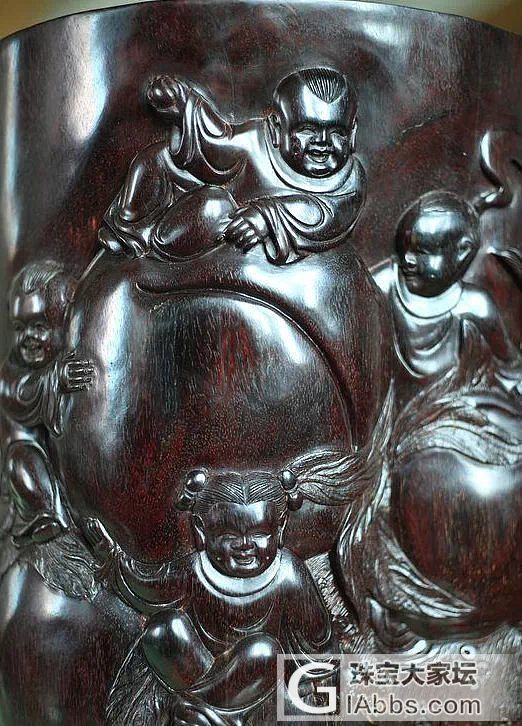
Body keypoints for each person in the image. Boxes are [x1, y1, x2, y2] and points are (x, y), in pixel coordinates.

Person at [86, 468, 336, 724]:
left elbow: (319, 641)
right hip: (197, 666)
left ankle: (199, 710)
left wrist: (314, 680)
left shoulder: (288, 574)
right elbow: (149, 585)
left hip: (258, 678)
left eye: (259, 534)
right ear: (202, 532)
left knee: (264, 652)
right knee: (165, 630)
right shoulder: (196, 570)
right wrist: (111, 557)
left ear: (280, 529)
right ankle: (214, 711)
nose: (245, 545)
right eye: (229, 536)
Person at [100, 67, 365, 264]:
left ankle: (153, 243)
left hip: (214, 218)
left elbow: (328, 215)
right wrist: (185, 104)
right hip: (190, 204)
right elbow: (217, 142)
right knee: (158, 158)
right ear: (275, 128)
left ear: (352, 134)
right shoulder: (255, 140)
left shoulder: (349, 180)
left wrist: (265, 217)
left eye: (337, 133)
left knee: (214, 206)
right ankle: (128, 231)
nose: (322, 142)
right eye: (307, 130)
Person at [373, 190, 521, 392]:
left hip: (454, 400)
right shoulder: (384, 285)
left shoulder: (475, 306)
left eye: (422, 251)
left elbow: (510, 366)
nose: (407, 258)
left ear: (462, 252)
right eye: (405, 247)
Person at [0, 261, 94, 544]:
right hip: (27, 448)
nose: (28, 337)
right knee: (22, 463)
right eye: (20, 328)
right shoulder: (11, 370)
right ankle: (45, 517)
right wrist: (55, 378)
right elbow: (18, 394)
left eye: (39, 326)